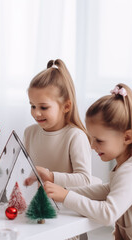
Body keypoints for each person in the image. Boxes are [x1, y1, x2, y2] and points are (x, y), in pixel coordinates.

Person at [44, 84, 132, 239]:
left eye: (98, 140)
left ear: (127, 137)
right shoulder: (128, 162)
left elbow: (108, 214)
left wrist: (66, 196)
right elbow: (110, 189)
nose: (92, 146)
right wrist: (63, 193)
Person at [24, 59, 93, 188]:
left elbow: (84, 179)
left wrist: (50, 176)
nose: (36, 113)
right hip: (36, 202)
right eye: (32, 106)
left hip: (65, 205)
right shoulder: (30, 133)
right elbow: (23, 171)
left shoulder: (75, 136)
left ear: (66, 106)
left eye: (43, 107)